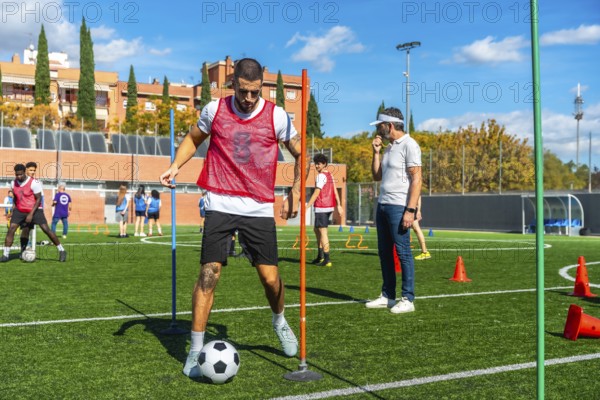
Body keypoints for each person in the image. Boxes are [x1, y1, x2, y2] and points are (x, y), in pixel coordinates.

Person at [159, 58, 305, 378]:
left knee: (269, 279)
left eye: (255, 92)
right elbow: (193, 139)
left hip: (258, 207)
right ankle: (196, 350)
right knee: (209, 274)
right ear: (233, 82)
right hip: (220, 201)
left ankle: (279, 320)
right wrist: (175, 165)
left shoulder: (277, 116)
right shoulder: (214, 110)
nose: (249, 98)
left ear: (261, 86)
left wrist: (295, 189)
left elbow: (301, 152)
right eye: (243, 90)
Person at [365, 107, 422, 314]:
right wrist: (376, 153)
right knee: (384, 253)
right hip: (383, 205)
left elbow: (417, 179)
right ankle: (388, 296)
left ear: (389, 125)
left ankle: (408, 298)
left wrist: (411, 209)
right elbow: (377, 176)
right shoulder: (388, 148)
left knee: (403, 252)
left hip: (399, 207)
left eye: (380, 126)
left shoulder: (410, 145)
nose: (378, 131)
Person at [1, 164, 67, 262]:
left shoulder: (34, 183)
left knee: (46, 229)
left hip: (35, 209)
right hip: (20, 210)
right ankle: (6, 255)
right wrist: (13, 210)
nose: (19, 177)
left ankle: (62, 250)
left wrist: (31, 214)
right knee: (13, 228)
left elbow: (38, 199)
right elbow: (16, 198)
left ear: (24, 172)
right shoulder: (13, 183)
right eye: (17, 175)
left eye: (20, 174)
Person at [306, 153, 343, 267]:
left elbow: (317, 192)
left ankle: (327, 259)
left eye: (319, 163)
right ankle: (320, 256)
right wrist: (339, 205)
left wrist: (306, 206)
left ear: (324, 164)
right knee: (316, 230)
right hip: (328, 207)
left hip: (322, 207)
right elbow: (335, 191)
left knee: (323, 232)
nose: (317, 165)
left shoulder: (321, 176)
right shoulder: (330, 175)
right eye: (315, 163)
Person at [18, 162, 41, 252]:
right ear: (26, 170)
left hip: (32, 210)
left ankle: (28, 247)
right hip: (22, 210)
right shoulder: (20, 181)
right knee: (25, 229)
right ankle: (23, 249)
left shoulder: (36, 182)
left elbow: (39, 197)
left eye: (34, 170)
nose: (32, 172)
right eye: (31, 170)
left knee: (30, 229)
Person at [412, 196, 431, 260]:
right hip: (406, 207)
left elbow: (418, 195)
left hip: (411, 207)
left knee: (416, 228)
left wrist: (418, 210)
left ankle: (425, 252)